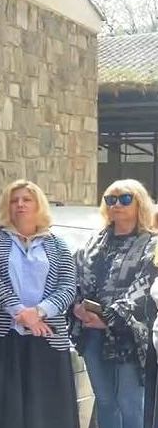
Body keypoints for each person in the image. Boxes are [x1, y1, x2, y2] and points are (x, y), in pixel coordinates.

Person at [0, 180, 79, 428]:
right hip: (3, 337)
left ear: (38, 205)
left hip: (46, 336)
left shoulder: (58, 244)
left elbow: (67, 287)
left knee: (45, 413)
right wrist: (20, 312)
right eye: (14, 200)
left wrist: (39, 312)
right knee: (0, 412)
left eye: (26, 199)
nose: (20, 204)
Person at [71, 179, 157, 428]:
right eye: (110, 199)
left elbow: (145, 288)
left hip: (130, 336)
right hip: (92, 333)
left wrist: (109, 318)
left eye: (125, 199)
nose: (116, 204)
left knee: (130, 404)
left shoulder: (151, 244)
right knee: (105, 402)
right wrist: (77, 306)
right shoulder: (93, 242)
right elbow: (75, 277)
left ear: (139, 203)